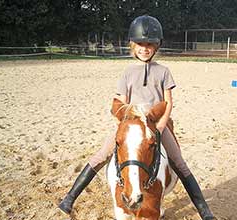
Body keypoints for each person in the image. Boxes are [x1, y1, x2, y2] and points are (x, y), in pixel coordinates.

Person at [59, 15, 216, 220]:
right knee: (101, 156)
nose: (145, 48)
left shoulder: (163, 72)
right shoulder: (127, 72)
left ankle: (204, 210)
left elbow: (168, 103)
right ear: (133, 46)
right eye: (140, 44)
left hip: (155, 124)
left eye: (150, 44)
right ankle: (70, 197)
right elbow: (121, 104)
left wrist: (159, 127)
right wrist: (122, 126)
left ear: (156, 46)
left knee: (179, 162)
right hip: (131, 124)